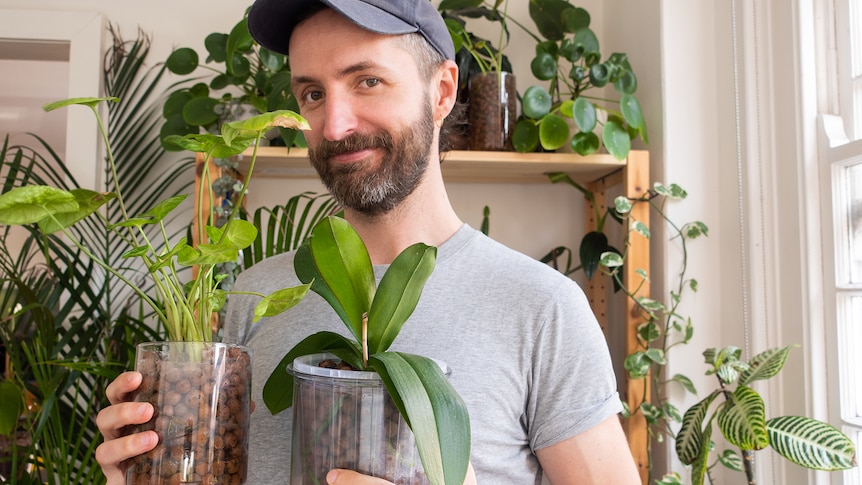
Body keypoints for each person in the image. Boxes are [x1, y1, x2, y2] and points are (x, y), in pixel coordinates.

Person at [95, 1, 642, 483]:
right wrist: (143, 468)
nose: (333, 126)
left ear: (443, 91)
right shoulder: (255, 295)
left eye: (367, 81)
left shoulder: (543, 309)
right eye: (312, 93)